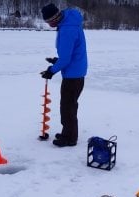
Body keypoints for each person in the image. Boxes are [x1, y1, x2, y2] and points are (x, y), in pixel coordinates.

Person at [40, 3, 88, 147]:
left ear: (54, 18)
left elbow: (66, 59)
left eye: (48, 22)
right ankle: (68, 132)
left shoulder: (67, 29)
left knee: (68, 107)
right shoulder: (69, 23)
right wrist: (57, 61)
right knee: (69, 106)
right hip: (75, 70)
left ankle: (70, 138)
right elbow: (69, 54)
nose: (49, 25)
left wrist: (51, 71)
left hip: (73, 75)